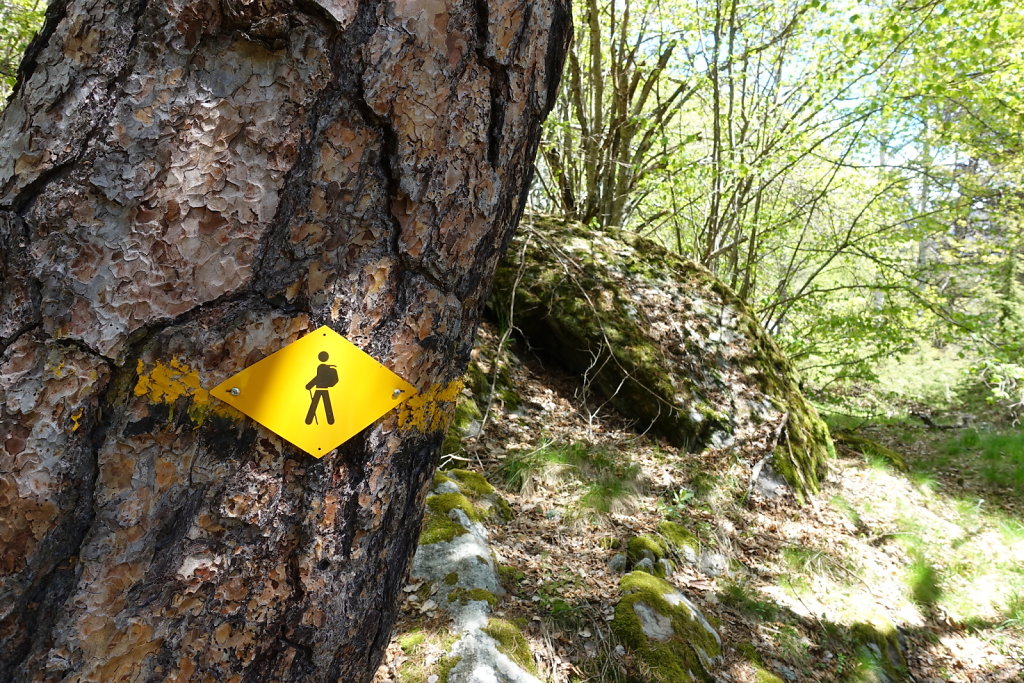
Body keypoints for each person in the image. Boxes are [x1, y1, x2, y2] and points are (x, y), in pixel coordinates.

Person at [305, 351, 339, 425]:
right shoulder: (327, 368)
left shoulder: (321, 368)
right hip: (324, 389)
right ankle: (330, 421)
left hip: (319, 389)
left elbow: (317, 378)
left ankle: (309, 420)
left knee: (315, 404)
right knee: (326, 404)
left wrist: (309, 385)